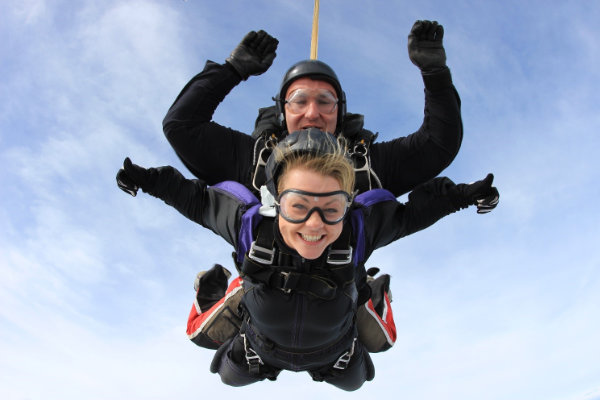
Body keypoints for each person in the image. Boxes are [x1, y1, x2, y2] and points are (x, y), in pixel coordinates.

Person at [116, 128, 499, 390]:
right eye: (298, 206)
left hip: (335, 349)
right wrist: (149, 180)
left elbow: (415, 213)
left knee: (359, 379)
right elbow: (196, 200)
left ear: (348, 206)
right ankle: (229, 292)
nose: (314, 225)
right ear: (276, 202)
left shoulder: (358, 229)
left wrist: (463, 196)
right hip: (259, 346)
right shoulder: (251, 227)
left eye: (331, 208)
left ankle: (373, 295)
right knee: (226, 374)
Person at [162, 20, 463, 196]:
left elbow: (438, 144)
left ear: (339, 112)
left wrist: (435, 76)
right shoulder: (250, 160)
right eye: (299, 101)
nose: (312, 113)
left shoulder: (368, 166)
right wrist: (231, 70)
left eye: (325, 102)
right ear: (282, 111)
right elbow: (181, 125)